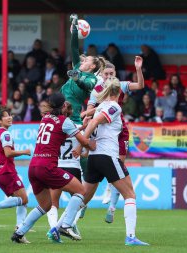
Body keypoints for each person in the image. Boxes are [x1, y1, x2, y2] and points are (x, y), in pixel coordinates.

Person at [73, 77, 149, 246]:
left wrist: (83, 146)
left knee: (83, 197)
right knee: (130, 194)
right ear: (119, 92)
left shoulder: (99, 107)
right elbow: (93, 122)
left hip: (94, 157)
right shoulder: (114, 106)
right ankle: (130, 237)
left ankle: (59, 226)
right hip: (107, 156)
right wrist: (82, 145)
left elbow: (88, 122)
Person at [11, 93, 95, 243]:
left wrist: (82, 126)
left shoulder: (45, 118)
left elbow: (59, 134)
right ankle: (66, 225)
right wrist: (90, 144)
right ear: (63, 106)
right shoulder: (65, 121)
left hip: (34, 166)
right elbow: (82, 140)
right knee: (81, 190)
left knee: (45, 205)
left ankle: (19, 233)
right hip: (47, 166)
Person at [81, 56, 144, 223]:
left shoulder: (119, 85)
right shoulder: (97, 89)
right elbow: (91, 110)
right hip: (104, 129)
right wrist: (85, 115)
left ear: (115, 73)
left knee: (120, 163)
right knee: (105, 167)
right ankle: (84, 204)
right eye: (106, 73)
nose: (109, 76)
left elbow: (140, 85)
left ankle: (112, 206)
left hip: (119, 128)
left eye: (111, 73)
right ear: (101, 74)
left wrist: (138, 69)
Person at [0, 107, 31, 243]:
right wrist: (24, 152)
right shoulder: (6, 134)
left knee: (21, 200)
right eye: (6, 116)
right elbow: (8, 153)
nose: (10, 117)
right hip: (7, 171)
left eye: (10, 115)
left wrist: (0, 166)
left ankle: (19, 231)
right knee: (24, 199)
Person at [46, 102, 87, 240]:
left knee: (53, 203)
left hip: (57, 166)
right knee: (79, 200)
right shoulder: (77, 129)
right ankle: (67, 225)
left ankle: (54, 228)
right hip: (73, 168)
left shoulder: (55, 128)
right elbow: (85, 152)